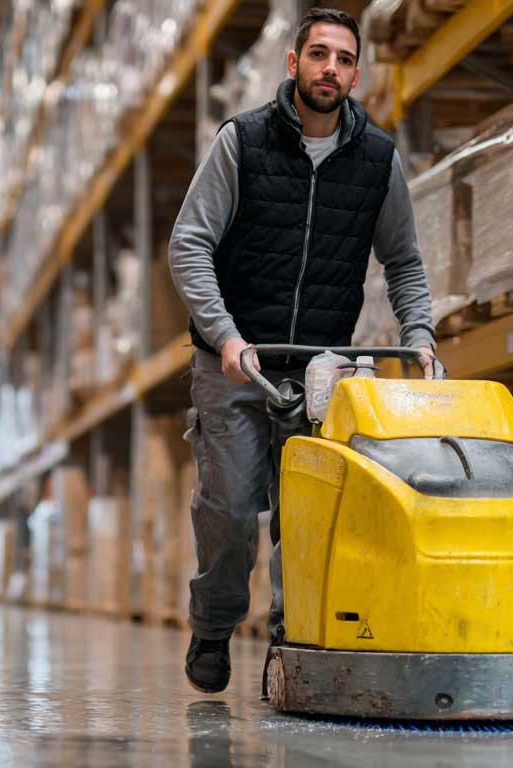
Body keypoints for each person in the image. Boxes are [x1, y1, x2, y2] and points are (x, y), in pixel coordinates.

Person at [168, 7, 437, 695]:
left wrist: (421, 340)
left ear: (355, 71)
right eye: (318, 55)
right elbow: (189, 244)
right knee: (230, 511)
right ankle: (216, 622)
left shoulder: (377, 160)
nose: (330, 70)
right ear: (293, 64)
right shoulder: (243, 142)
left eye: (344, 59)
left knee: (309, 517)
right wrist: (225, 336)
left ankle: (294, 639)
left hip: (319, 370)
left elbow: (403, 262)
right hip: (237, 361)